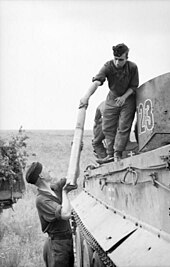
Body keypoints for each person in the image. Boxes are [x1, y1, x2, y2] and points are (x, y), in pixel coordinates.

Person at [80, 43, 139, 163]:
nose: (118, 62)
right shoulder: (108, 66)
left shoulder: (132, 67)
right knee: (107, 126)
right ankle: (110, 155)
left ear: (126, 58)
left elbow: (134, 86)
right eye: (116, 59)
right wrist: (86, 97)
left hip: (128, 98)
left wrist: (124, 97)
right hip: (112, 97)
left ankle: (118, 154)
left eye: (121, 60)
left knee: (124, 126)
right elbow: (97, 82)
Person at [25, 161, 76, 267]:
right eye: (45, 168)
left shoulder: (54, 188)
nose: (49, 169)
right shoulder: (42, 200)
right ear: (41, 175)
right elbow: (65, 214)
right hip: (57, 247)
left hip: (65, 242)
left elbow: (72, 177)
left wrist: (77, 150)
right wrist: (65, 193)